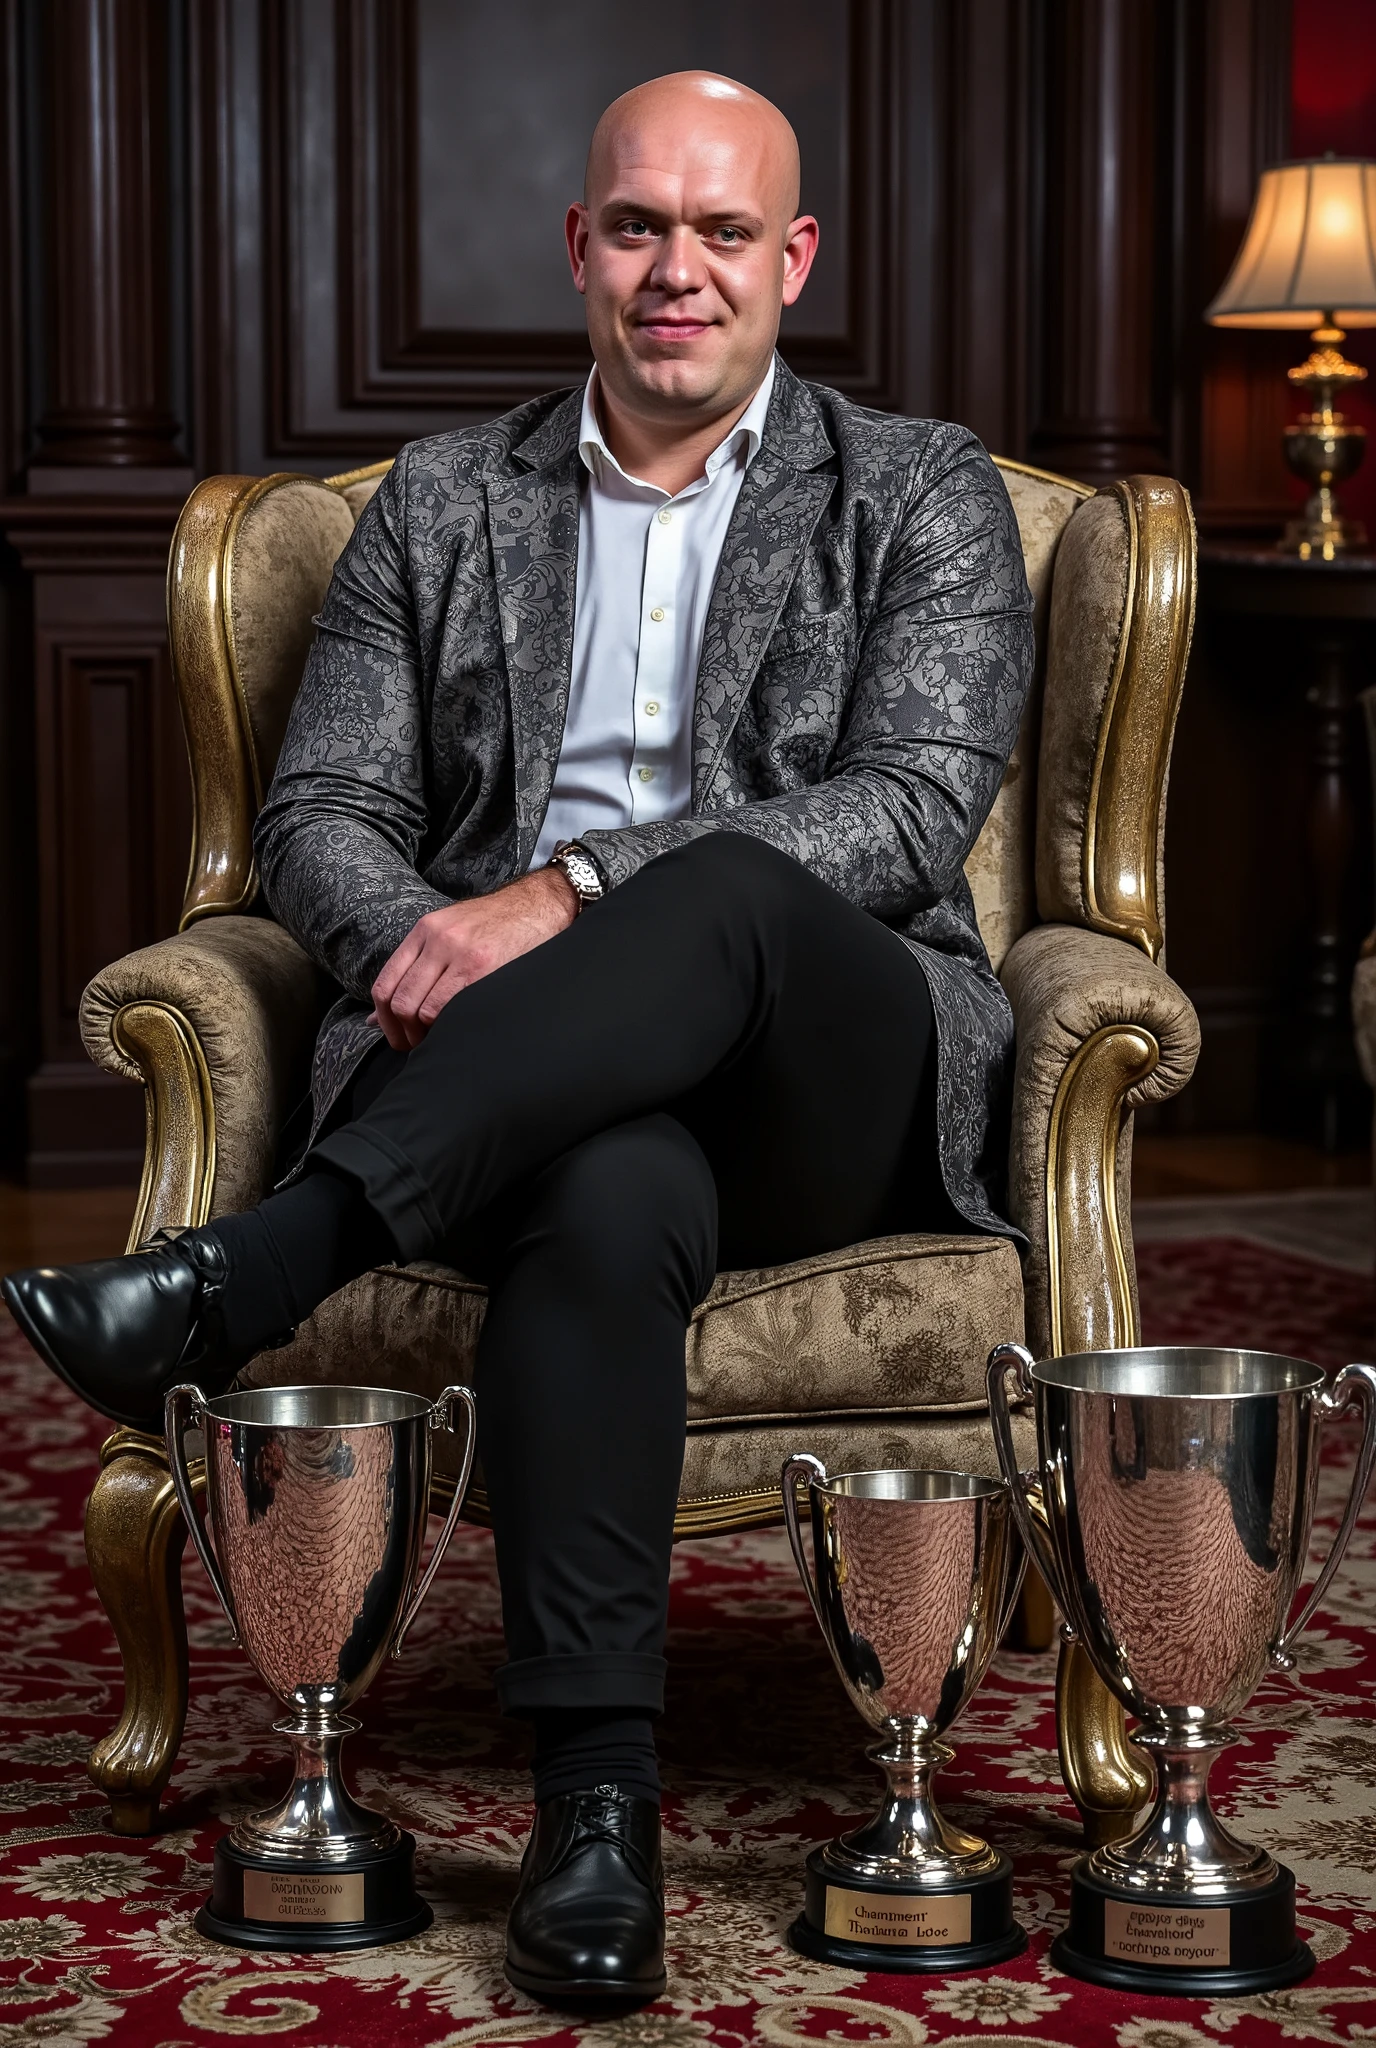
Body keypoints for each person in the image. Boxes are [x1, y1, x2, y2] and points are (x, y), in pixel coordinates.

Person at [5, 71, 1033, 2008]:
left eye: (722, 234)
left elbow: (905, 805)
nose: (676, 270)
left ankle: (263, 1263)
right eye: (638, 225)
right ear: (577, 248)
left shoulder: (918, 489)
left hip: (829, 1069)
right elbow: (323, 819)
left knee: (713, 888)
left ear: (790, 262)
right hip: (520, 1084)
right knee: (603, 1183)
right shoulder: (439, 507)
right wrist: (435, 957)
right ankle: (596, 1803)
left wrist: (563, 899)